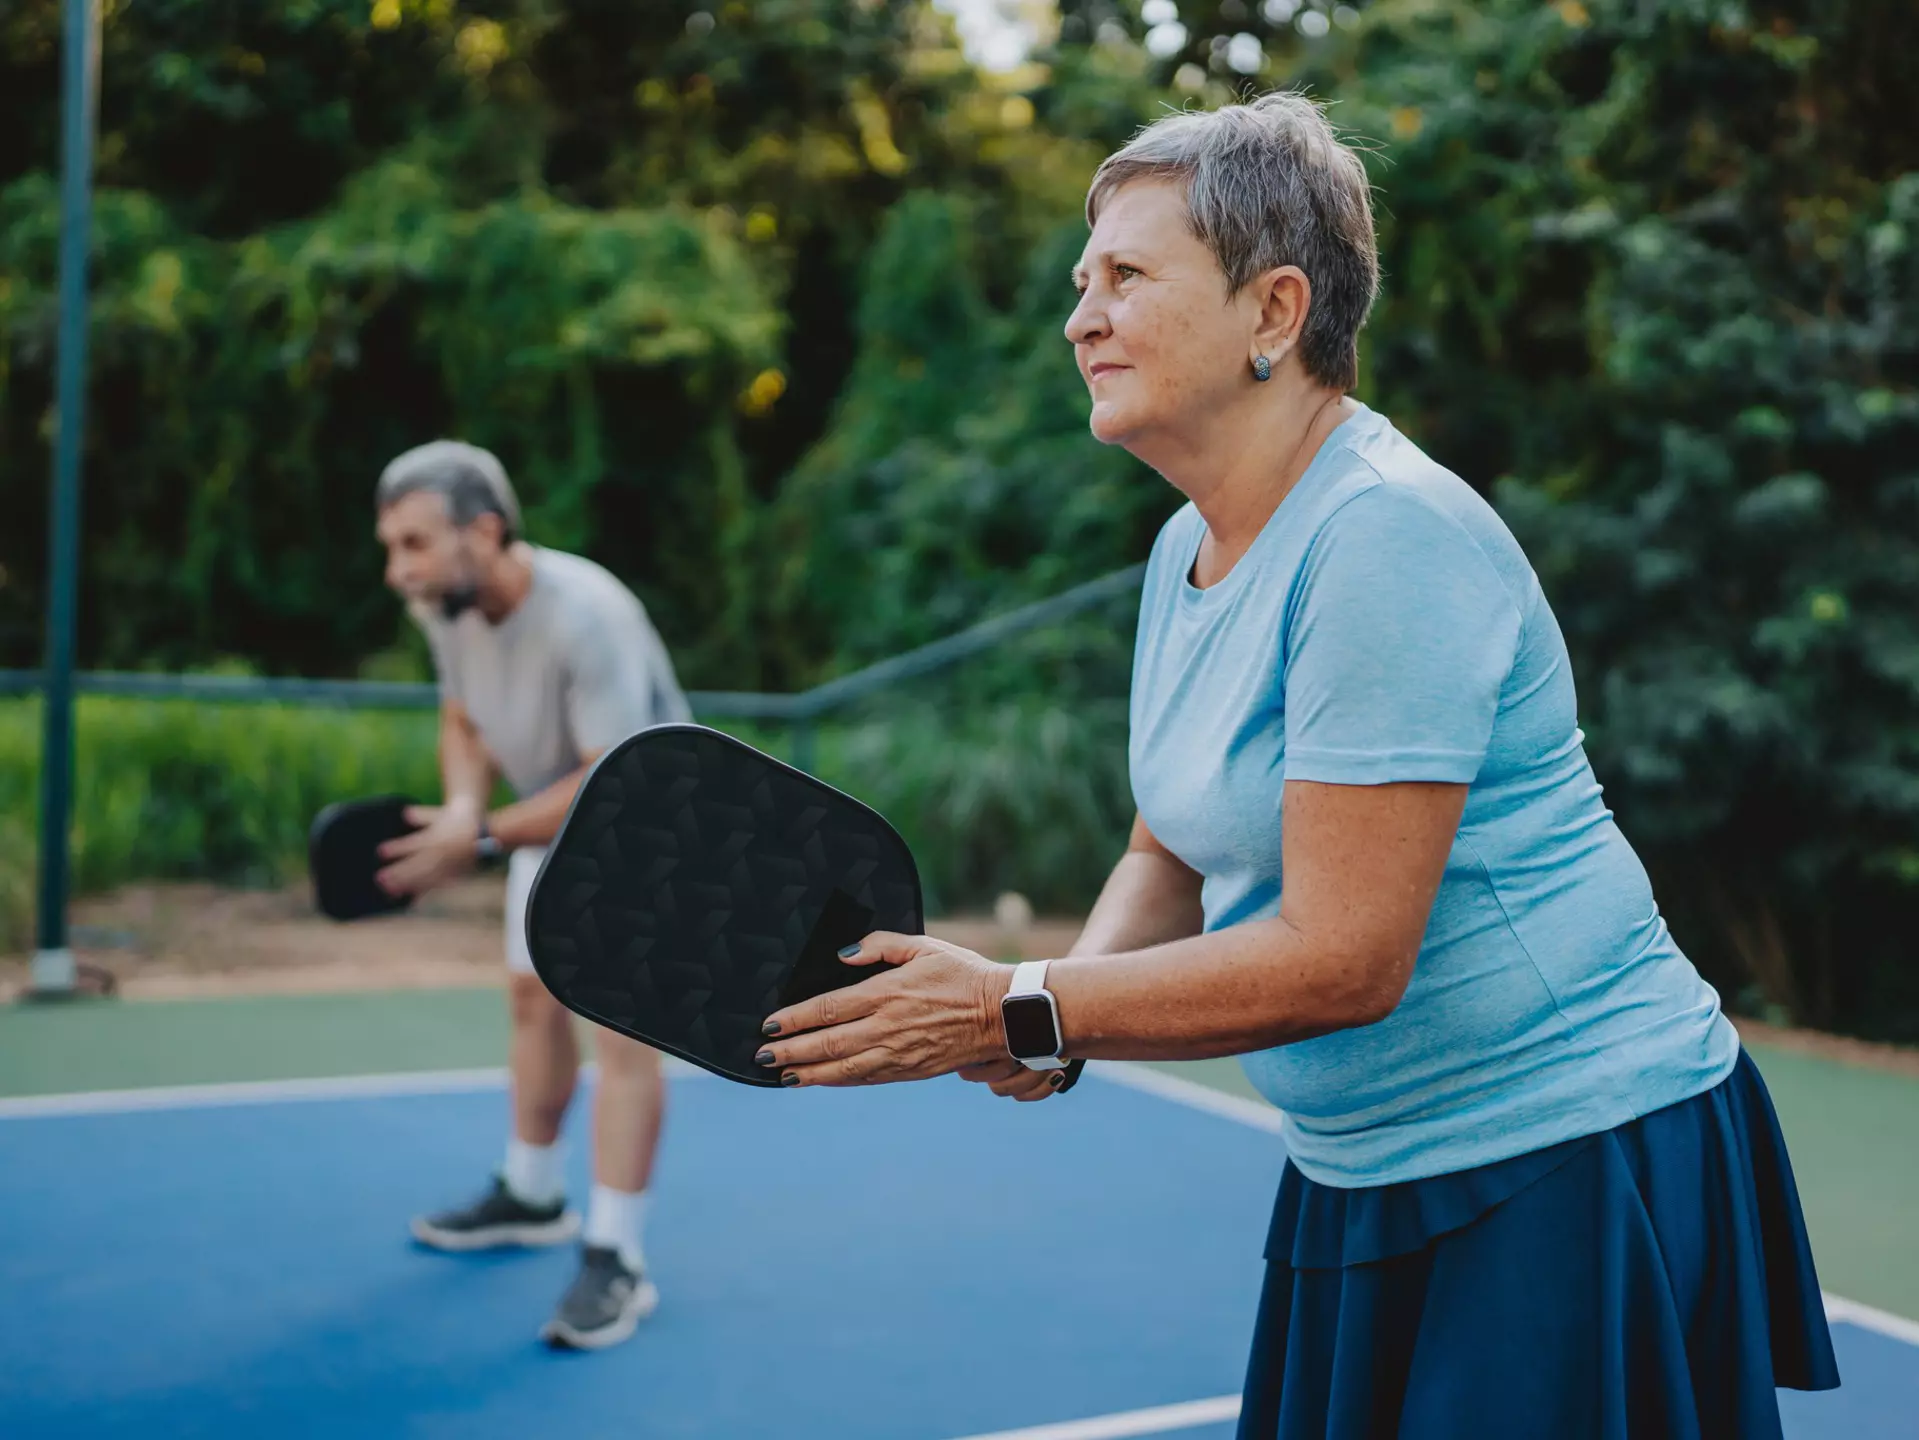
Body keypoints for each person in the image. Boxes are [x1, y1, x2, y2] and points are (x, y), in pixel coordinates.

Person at [751, 95, 1841, 1435]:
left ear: (1273, 312)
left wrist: (1016, 1007)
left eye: (1124, 278)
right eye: (1078, 283)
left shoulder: (1384, 537)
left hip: (1562, 1159)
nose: (1076, 318)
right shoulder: (1184, 546)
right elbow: (1167, 839)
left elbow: (1343, 956)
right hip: (1361, 1167)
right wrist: (1054, 1014)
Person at [371, 440, 690, 1351]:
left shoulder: (587, 614)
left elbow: (610, 776)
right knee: (530, 998)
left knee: (621, 1034)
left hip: (642, 826)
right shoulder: (449, 605)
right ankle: (533, 1189)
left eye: (414, 545)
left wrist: (473, 837)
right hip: (543, 822)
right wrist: (470, 804)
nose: (400, 572)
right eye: (391, 548)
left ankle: (616, 1256)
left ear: (485, 529)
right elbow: (462, 712)